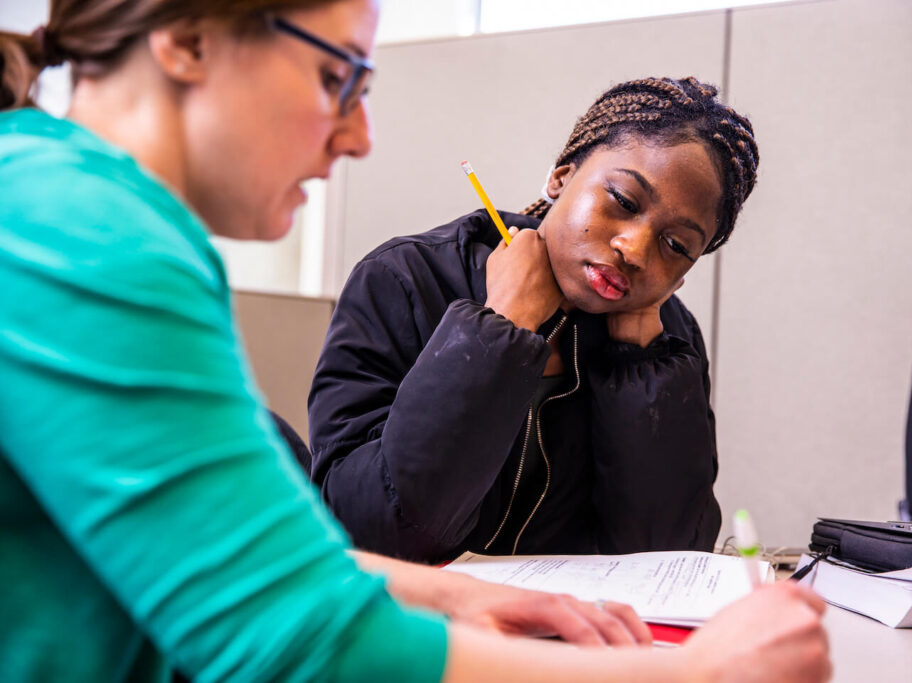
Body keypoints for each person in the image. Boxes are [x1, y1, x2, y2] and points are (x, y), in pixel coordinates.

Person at [0, 1, 830, 681]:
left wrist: (455, 598)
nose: (360, 135)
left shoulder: (66, 204)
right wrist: (699, 673)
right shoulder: (80, 230)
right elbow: (289, 633)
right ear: (185, 39)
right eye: (339, 77)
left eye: (678, 246)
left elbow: (244, 559)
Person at [308, 75, 755, 564]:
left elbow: (670, 559)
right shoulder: (405, 278)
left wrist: (642, 371)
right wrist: (500, 326)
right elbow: (372, 532)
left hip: (576, 631)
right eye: (623, 202)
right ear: (561, 177)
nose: (635, 249)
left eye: (676, 246)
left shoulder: (670, 340)